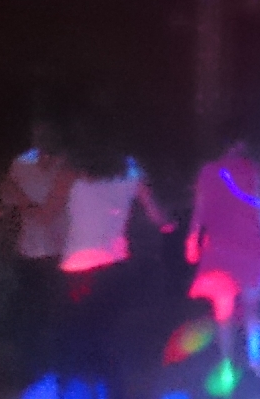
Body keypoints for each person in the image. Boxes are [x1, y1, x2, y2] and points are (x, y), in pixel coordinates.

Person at [54, 141, 172, 398]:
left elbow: (50, 213)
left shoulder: (71, 176)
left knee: (80, 332)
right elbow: (158, 216)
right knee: (107, 333)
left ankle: (79, 385)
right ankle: (113, 389)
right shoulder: (131, 175)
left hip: (78, 268)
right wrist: (169, 224)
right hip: (115, 265)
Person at [185, 135, 260, 377]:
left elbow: (199, 210)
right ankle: (255, 361)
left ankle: (226, 361)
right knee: (252, 308)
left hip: (219, 249)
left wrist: (192, 240)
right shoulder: (252, 171)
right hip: (249, 247)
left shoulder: (207, 172)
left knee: (223, 309)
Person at [0, 123, 75, 382]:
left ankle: (62, 369)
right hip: (29, 251)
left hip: (60, 251)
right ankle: (35, 371)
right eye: (38, 136)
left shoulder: (68, 165)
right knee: (32, 316)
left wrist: (21, 199)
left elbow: (46, 214)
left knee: (60, 316)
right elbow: (7, 198)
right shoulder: (20, 164)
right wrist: (11, 195)